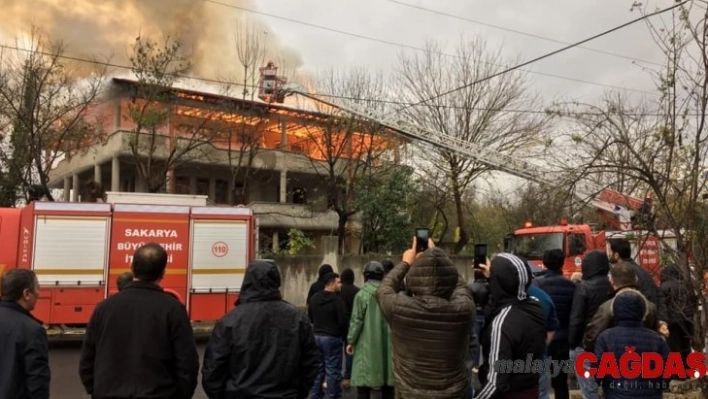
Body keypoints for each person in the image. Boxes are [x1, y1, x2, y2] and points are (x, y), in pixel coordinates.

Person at [79, 243, 199, 399]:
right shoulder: (173, 310)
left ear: (132, 267)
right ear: (163, 272)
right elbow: (187, 365)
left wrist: (96, 390)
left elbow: (87, 360)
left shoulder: (104, 308)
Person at [201, 259, 319, 398]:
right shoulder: (298, 319)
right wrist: (299, 393)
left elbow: (213, 369)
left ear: (247, 281)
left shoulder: (230, 321)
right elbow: (310, 364)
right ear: (276, 281)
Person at [376, 237, 475, 398]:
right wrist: (442, 260)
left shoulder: (398, 308)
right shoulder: (464, 310)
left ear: (413, 278)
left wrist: (406, 262)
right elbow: (460, 287)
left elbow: (384, 289)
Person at [475, 254, 547, 399]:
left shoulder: (502, 324)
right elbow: (510, 293)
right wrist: (493, 277)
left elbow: (495, 384)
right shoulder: (535, 306)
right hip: (532, 389)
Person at [594, 291, 670, 399]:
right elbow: (667, 375)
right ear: (643, 311)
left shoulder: (605, 338)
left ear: (614, 311)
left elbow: (597, 374)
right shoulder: (657, 340)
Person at [583, 260, 659, 353]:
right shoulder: (650, 307)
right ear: (636, 280)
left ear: (612, 281)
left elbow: (591, 338)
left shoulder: (607, 307)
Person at [568, 250, 614, 399]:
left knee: (589, 390)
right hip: (610, 344)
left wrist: (573, 343)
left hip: (586, 343)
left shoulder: (584, 287)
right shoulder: (612, 285)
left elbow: (576, 318)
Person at [347, 261, 395, 399]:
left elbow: (356, 321)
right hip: (387, 345)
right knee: (387, 385)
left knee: (363, 384)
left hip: (366, 345)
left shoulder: (362, 295)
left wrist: (351, 341)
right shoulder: (389, 295)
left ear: (366, 276)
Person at [532, 249, 576, 399]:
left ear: (544, 262)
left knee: (539, 379)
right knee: (561, 381)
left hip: (543, 338)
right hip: (563, 339)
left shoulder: (537, 285)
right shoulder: (571, 286)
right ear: (562, 263)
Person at [0, 269, 50, 399]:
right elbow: (37, 383)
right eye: (37, 288)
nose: (39, 293)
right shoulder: (32, 330)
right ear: (27, 294)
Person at [608, 238, 669, 330]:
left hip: (636, 325)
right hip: (649, 324)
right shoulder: (643, 271)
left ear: (616, 255)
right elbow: (658, 295)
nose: (608, 254)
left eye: (609, 251)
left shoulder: (623, 274)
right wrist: (662, 320)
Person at [308, 272, 347, 399]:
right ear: (331, 283)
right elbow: (342, 321)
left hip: (316, 336)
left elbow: (311, 318)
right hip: (332, 338)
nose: (340, 284)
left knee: (318, 370)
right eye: (338, 282)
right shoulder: (337, 301)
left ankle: (315, 395)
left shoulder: (314, 299)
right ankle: (333, 395)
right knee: (333, 370)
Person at [660, 263, 698, 367]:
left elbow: (663, 305)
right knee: (685, 346)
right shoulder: (685, 286)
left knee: (674, 348)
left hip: (673, 321)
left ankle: (677, 372)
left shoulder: (663, 287)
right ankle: (687, 369)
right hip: (687, 320)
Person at [339, 268, 360, 389]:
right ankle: (348, 376)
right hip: (352, 323)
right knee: (350, 349)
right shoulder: (357, 291)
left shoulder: (339, 290)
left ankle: (336, 375)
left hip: (339, 323)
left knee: (338, 350)